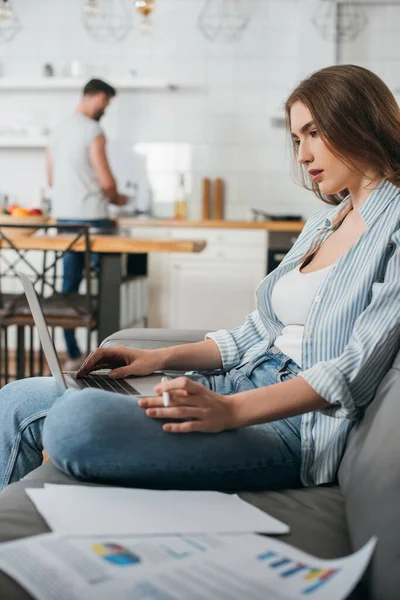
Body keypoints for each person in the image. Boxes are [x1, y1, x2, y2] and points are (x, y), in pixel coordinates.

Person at [0, 64, 399, 492]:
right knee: (18, 397)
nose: (302, 155)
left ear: (357, 121)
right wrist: (158, 358)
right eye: (297, 139)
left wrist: (231, 410)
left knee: (76, 422)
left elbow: (354, 370)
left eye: (314, 132)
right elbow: (255, 334)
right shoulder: (324, 224)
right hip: (232, 382)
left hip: (288, 427)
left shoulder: (393, 227)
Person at [46, 78, 128, 370]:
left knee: (70, 287)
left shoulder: (58, 129)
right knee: (105, 287)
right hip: (93, 220)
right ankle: (106, 357)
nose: (105, 108)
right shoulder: (93, 130)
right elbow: (106, 181)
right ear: (97, 97)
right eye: (106, 102)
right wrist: (119, 198)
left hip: (65, 220)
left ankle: (72, 354)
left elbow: (51, 179)